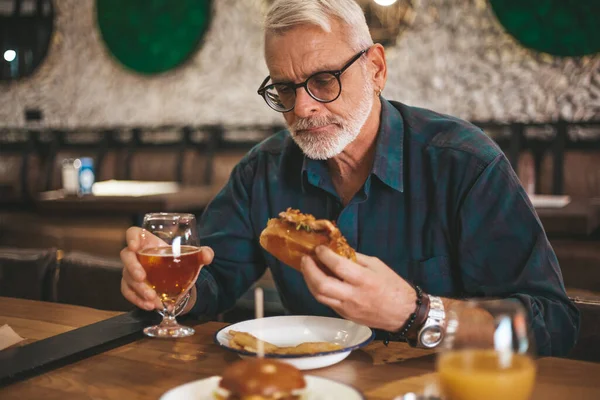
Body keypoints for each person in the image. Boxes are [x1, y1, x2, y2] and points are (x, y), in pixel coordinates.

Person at [120, 0, 578, 356]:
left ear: (375, 69)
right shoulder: (262, 171)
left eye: (324, 80)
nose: (302, 108)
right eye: (284, 88)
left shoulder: (466, 165)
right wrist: (162, 289)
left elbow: (553, 324)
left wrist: (416, 313)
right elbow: (211, 279)